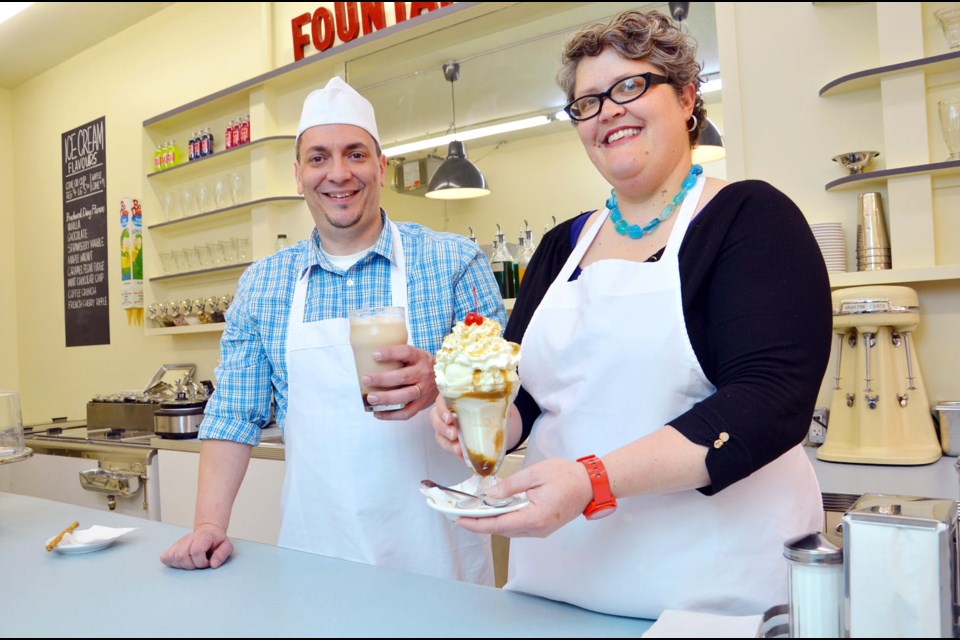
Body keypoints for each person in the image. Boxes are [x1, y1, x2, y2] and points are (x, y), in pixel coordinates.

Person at [430, 9, 832, 618]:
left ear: (688, 97)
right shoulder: (562, 246)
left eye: (630, 87)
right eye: (587, 102)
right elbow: (531, 396)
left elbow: (769, 402)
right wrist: (480, 420)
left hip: (709, 594)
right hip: (559, 582)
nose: (608, 111)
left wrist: (592, 481)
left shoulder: (749, 220)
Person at [161, 76, 504, 585]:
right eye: (319, 158)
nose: (338, 174)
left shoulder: (454, 260)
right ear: (298, 175)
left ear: (381, 166)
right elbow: (234, 414)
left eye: (355, 154)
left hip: (439, 562)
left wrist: (446, 381)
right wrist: (209, 525)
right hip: (315, 558)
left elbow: (506, 387)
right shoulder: (263, 285)